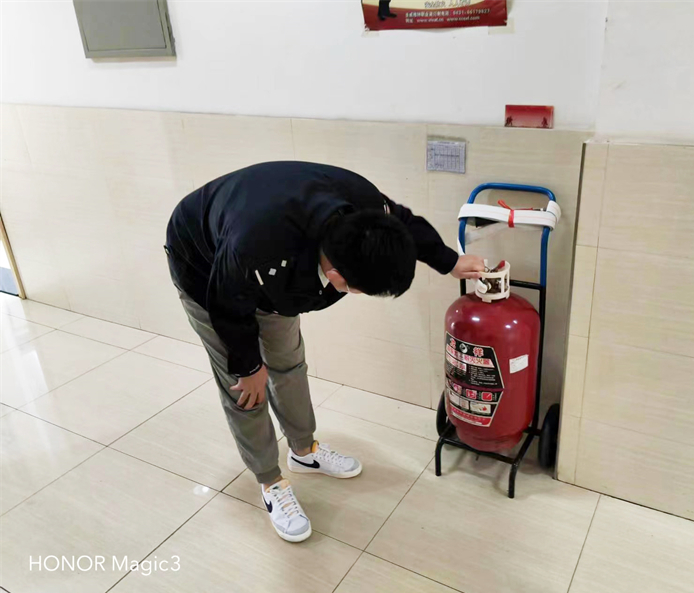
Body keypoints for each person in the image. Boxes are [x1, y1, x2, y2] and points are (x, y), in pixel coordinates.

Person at [165, 161, 484, 542]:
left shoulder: (363, 204)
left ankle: (304, 450)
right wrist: (248, 367)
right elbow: (227, 304)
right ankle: (270, 481)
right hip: (205, 267)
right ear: (337, 279)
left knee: (287, 363)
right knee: (245, 389)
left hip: (265, 258)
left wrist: (450, 261)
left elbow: (400, 221)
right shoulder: (254, 245)